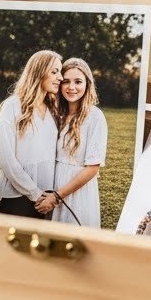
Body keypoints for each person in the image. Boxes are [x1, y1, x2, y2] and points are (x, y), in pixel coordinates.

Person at [0, 50, 62, 218]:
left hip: (46, 199)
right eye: (54, 72)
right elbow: (6, 160)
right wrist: (35, 193)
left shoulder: (54, 110)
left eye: (60, 72)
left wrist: (48, 196)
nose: (60, 77)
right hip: (17, 198)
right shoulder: (12, 107)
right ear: (38, 72)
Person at [52, 57, 108, 229]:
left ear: (87, 84)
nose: (71, 87)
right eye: (66, 81)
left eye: (78, 81)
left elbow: (93, 168)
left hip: (78, 190)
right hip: (52, 184)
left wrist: (58, 196)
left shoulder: (95, 117)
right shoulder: (55, 113)